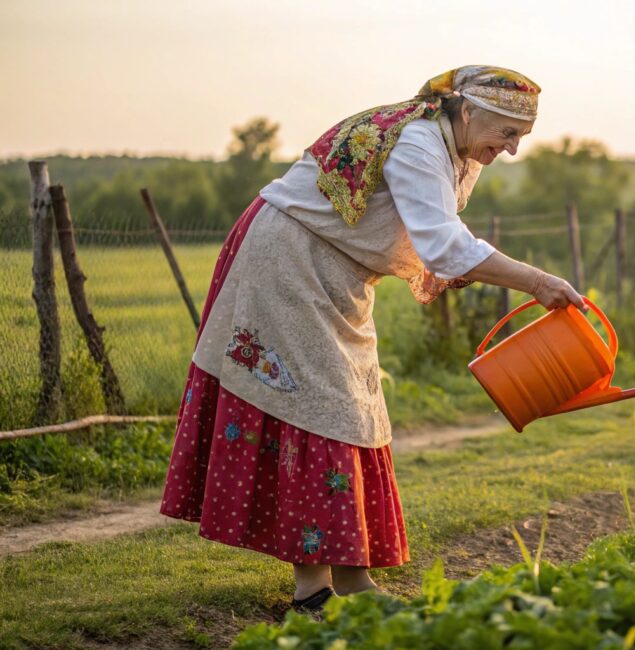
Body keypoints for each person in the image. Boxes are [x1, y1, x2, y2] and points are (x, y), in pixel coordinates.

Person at [159, 65, 581, 612]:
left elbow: (431, 233)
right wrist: (538, 281)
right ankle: (313, 588)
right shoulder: (418, 142)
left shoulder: (454, 150)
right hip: (288, 258)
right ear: (468, 110)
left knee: (355, 410)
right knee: (312, 407)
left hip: (338, 273)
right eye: (506, 133)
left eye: (520, 138)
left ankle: (354, 580)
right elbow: (444, 246)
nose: (512, 149)